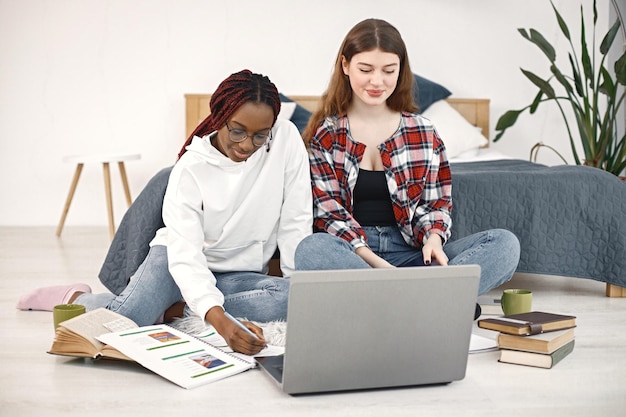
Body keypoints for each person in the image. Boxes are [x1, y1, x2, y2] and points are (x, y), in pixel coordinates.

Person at [17, 70, 313, 354]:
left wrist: (295, 283)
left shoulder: (286, 139)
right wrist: (220, 321)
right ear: (220, 118)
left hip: (237, 273)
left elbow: (295, 220)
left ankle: (174, 308)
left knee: (293, 299)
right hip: (176, 262)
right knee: (124, 322)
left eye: (260, 136)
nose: (248, 145)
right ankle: (81, 298)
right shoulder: (191, 168)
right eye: (237, 132)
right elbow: (185, 253)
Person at [295, 19, 520, 301]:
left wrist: (434, 239)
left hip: (413, 255)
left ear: (400, 70)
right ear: (345, 66)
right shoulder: (326, 134)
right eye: (366, 70)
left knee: (504, 244)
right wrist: (385, 271)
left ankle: (392, 301)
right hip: (354, 256)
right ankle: (431, 300)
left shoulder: (423, 131)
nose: (377, 81)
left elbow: (437, 203)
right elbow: (330, 214)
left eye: (389, 70)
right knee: (311, 249)